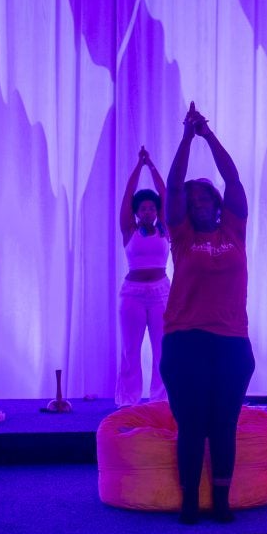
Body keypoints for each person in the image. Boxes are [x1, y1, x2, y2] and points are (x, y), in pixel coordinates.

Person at [161, 103, 254, 524]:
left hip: (232, 342)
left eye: (205, 197)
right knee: (192, 425)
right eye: (192, 198)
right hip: (185, 340)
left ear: (217, 204)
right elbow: (173, 186)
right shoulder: (179, 236)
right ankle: (187, 501)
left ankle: (220, 499)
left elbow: (232, 178)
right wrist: (185, 138)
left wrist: (207, 135)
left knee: (223, 425)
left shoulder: (233, 229)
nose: (197, 202)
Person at [116, 146, 170, 406]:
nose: (148, 212)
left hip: (160, 292)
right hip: (133, 294)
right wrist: (138, 167)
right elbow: (128, 195)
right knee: (130, 350)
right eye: (143, 209)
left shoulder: (166, 228)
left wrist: (152, 167)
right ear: (137, 212)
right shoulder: (128, 230)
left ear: (157, 211)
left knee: (163, 350)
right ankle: (128, 400)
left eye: (152, 208)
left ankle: (160, 401)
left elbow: (165, 194)